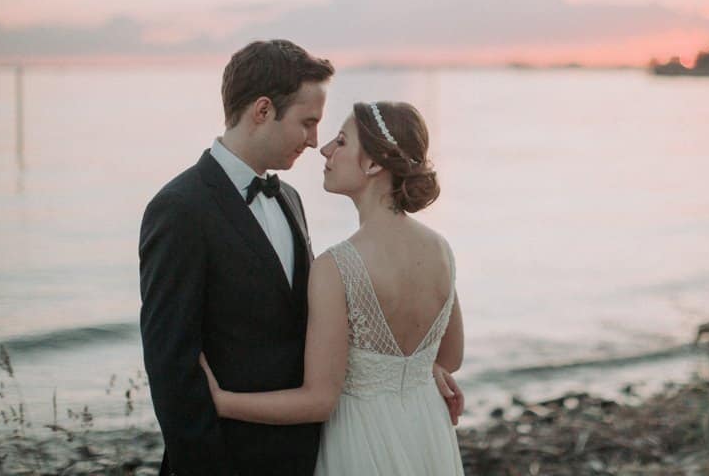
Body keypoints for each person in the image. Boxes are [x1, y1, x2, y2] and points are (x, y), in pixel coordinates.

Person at [139, 41, 463, 476]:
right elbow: (172, 368)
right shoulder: (180, 209)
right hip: (230, 459)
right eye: (308, 123)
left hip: (312, 451)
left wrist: (416, 373)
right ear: (262, 110)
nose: (316, 142)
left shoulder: (289, 200)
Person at [200, 101, 465, 475]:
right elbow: (451, 356)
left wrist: (222, 402)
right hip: (426, 428)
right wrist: (421, 371)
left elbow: (319, 401)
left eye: (341, 141)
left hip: (361, 438)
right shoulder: (441, 250)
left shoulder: (337, 267)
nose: (325, 149)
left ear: (373, 164)